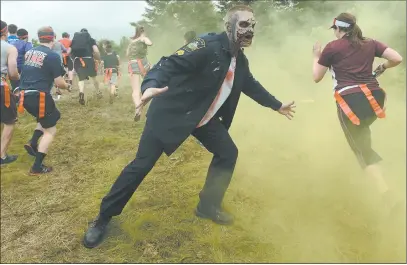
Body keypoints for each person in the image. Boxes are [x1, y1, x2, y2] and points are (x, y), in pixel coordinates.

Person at [83, 5, 296, 249]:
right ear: (229, 26)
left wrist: (276, 105)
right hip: (171, 113)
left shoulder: (239, 58)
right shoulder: (207, 46)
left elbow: (249, 84)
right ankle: (103, 218)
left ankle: (208, 206)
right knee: (141, 165)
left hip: (201, 117)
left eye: (253, 26)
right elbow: (168, 64)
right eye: (244, 25)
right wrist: (149, 86)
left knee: (228, 153)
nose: (250, 30)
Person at [312, 13, 403, 197]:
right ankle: (383, 170)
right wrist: (382, 67)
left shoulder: (331, 47)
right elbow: (397, 58)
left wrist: (316, 56)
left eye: (335, 30)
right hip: (376, 99)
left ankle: (386, 194)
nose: (335, 33)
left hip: (351, 102)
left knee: (361, 150)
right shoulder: (370, 42)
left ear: (338, 28)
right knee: (363, 135)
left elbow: (316, 77)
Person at [18, 26, 69, 175]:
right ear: (52, 38)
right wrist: (68, 86)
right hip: (39, 96)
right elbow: (60, 83)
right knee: (50, 131)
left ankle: (33, 142)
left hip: (24, 95)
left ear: (39, 37)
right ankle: (37, 167)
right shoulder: (52, 56)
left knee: (52, 115)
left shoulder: (30, 52)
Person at [1, 20, 20, 165]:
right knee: (9, 121)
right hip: (2, 87)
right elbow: (13, 73)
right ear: (5, 31)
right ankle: (2, 156)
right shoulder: (9, 48)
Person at [127, 25, 152, 121]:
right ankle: (144, 106)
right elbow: (150, 43)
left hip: (133, 64)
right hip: (144, 63)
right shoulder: (143, 38)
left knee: (135, 91)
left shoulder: (131, 42)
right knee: (151, 85)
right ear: (143, 31)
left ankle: (138, 110)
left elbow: (127, 54)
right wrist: (144, 38)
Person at [70, 28, 101, 105]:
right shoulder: (91, 40)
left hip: (78, 60)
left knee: (81, 79)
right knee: (94, 77)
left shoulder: (75, 40)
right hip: (89, 60)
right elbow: (96, 50)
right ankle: (98, 92)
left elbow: (69, 51)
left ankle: (81, 92)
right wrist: (98, 58)